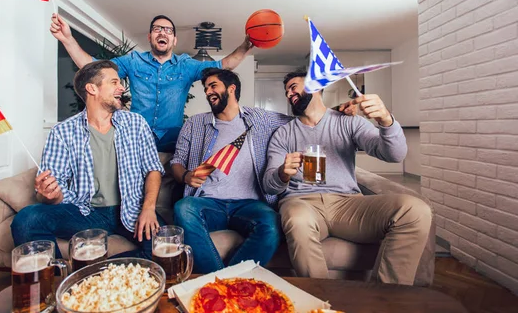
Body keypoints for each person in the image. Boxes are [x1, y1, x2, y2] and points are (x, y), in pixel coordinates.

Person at [263, 71, 432, 285]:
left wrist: (385, 120)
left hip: (348, 204)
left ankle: (387, 299)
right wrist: (282, 174)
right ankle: (321, 300)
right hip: (302, 203)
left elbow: (394, 155)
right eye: (286, 90)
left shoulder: (349, 122)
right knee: (297, 219)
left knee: (415, 209)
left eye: (294, 86)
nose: (289, 93)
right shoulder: (283, 134)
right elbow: (269, 185)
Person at [11, 60, 165, 259]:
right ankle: (58, 279)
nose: (121, 88)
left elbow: (153, 169)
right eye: (114, 82)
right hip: (85, 213)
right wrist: (51, 195)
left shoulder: (136, 124)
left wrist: (148, 208)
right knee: (27, 219)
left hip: (132, 209)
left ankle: (103, 270)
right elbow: (49, 193)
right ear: (92, 88)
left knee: (167, 244)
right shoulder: (63, 132)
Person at [50, 14, 254, 152]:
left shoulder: (186, 65)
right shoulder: (133, 61)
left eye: (168, 30)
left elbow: (223, 66)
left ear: (174, 40)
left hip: (173, 138)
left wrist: (245, 46)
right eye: (157, 29)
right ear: (150, 36)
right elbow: (93, 69)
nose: (163, 33)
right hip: (136, 136)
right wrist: (67, 39)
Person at [170, 68, 292, 274]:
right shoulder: (194, 123)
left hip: (250, 205)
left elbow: (302, 121)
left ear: (231, 88)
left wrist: (340, 111)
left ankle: (221, 281)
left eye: (213, 86)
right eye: (206, 88)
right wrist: (185, 175)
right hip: (209, 203)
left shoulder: (261, 119)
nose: (208, 91)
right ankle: (223, 283)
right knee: (183, 208)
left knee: (271, 223)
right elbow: (176, 161)